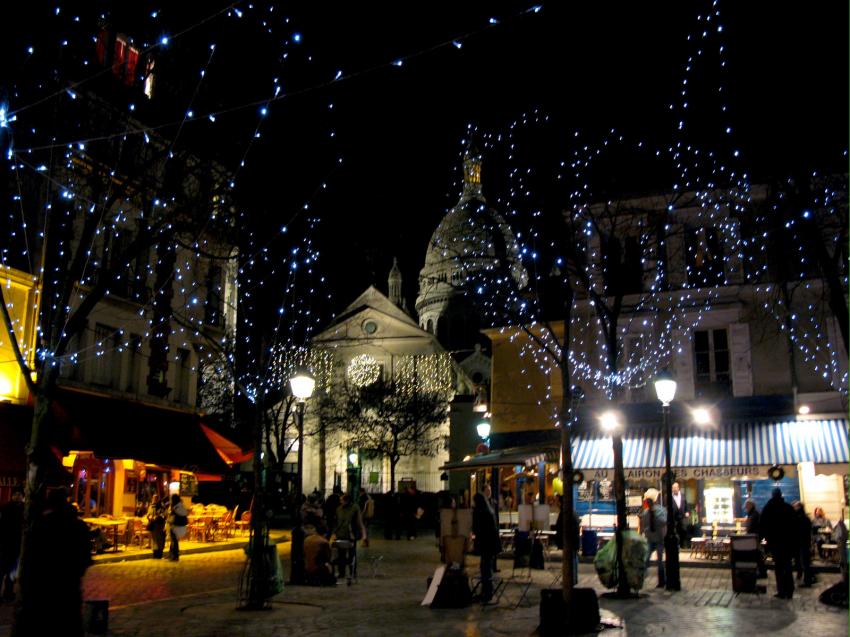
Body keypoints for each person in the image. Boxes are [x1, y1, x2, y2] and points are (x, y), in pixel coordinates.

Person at [18, 487, 92, 636]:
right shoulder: (78, 526)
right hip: (70, 586)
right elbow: (85, 558)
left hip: (45, 588)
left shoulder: (40, 525)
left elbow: (31, 559)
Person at [760, 487, 797, 599]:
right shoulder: (788, 508)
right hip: (788, 543)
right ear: (781, 495)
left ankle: (781, 590)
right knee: (787, 566)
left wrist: (764, 543)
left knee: (779, 567)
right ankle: (789, 590)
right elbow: (795, 527)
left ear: (772, 495)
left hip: (775, 543)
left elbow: (763, 528)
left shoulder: (768, 508)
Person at [472, 484, 500, 603]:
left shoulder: (480, 512)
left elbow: (477, 528)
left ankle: (487, 592)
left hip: (486, 544)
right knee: (487, 566)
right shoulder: (489, 511)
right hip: (491, 544)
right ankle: (487, 591)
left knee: (485, 567)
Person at [333, 492, 367, 584]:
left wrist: (363, 534)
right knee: (341, 554)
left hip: (351, 535)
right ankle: (341, 572)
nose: (340, 501)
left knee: (352, 554)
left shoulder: (354, 508)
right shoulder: (338, 509)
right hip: (340, 534)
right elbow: (337, 521)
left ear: (347, 500)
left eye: (342, 500)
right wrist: (335, 532)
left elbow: (359, 522)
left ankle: (352, 571)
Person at [0, 487, 24, 601]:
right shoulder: (6, 508)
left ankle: (8, 593)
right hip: (6, 544)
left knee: (12, 572)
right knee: (3, 570)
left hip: (17, 545)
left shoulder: (24, 509)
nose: (17, 496)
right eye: (15, 494)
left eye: (19, 494)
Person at [639, 496, 668, 588]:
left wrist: (654, 515)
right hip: (651, 539)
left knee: (659, 561)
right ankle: (641, 578)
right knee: (646, 558)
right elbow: (644, 525)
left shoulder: (660, 511)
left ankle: (662, 581)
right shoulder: (646, 513)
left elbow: (664, 522)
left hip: (659, 538)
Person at [792, 501, 816, 586]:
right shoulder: (801, 517)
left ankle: (807, 580)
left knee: (804, 562)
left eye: (795, 506)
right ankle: (801, 575)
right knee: (799, 561)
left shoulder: (801, 518)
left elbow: (802, 531)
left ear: (799, 507)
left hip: (802, 542)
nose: (793, 508)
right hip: (800, 542)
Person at [167, 494, 188, 561]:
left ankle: (174, 555)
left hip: (175, 525)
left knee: (174, 541)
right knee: (174, 541)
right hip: (179, 526)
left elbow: (172, 516)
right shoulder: (180, 506)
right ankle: (172, 555)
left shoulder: (176, 507)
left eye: (171, 499)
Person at [146, 495, 167, 559]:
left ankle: (159, 554)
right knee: (154, 540)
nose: (154, 500)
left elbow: (165, 515)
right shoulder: (151, 506)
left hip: (160, 526)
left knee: (160, 540)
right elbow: (148, 514)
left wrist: (159, 517)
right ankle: (155, 554)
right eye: (154, 498)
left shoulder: (162, 507)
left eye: (156, 498)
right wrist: (150, 517)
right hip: (154, 526)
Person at [670, 482, 690, 547]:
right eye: (673, 488)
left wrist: (687, 512)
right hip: (673, 518)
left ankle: (683, 544)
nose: (675, 489)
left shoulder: (683, 496)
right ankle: (676, 545)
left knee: (683, 530)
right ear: (672, 489)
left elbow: (686, 505)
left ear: (678, 488)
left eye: (676, 487)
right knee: (674, 531)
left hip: (682, 516)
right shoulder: (669, 497)